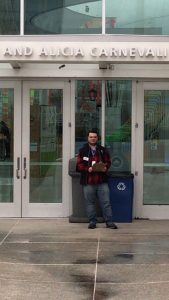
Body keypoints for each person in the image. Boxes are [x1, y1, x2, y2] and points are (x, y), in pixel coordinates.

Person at [76, 129, 118, 229]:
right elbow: (78, 166)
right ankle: (92, 222)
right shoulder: (83, 151)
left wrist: (105, 168)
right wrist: (88, 169)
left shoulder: (103, 150)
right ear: (88, 138)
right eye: (91, 137)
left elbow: (108, 162)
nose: (93, 138)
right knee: (90, 203)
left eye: (94, 137)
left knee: (106, 202)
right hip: (88, 181)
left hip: (101, 181)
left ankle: (109, 222)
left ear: (97, 138)